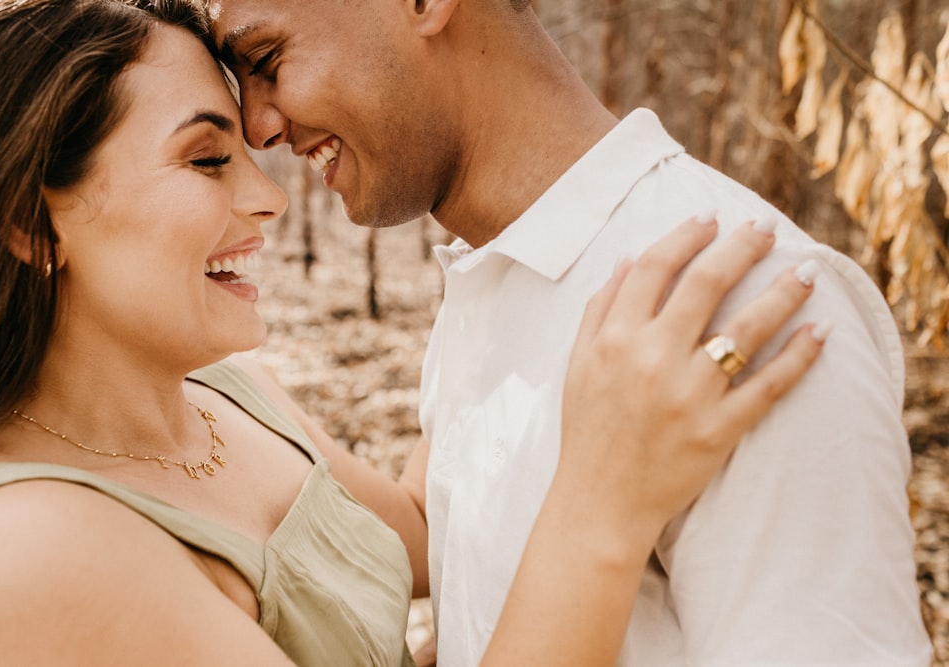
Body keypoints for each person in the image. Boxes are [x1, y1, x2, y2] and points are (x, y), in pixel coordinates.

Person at [0, 0, 826, 665]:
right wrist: (599, 505)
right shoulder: (22, 546)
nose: (269, 195)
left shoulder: (222, 399)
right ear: (31, 223)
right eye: (207, 158)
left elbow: (422, 525)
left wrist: (513, 279)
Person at [207, 0, 933, 664]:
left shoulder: (735, 300)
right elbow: (455, 547)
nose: (259, 128)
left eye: (267, 62)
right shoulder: (496, 274)